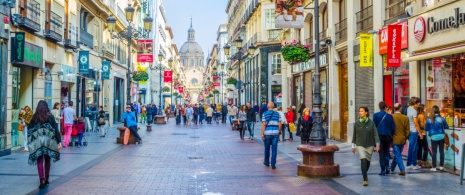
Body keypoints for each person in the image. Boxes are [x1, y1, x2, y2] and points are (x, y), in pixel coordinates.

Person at [27, 100, 62, 189]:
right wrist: (59, 141)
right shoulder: (50, 116)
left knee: (39, 160)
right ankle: (46, 178)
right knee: (47, 159)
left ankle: (41, 179)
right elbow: (55, 129)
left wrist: (30, 141)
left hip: (38, 142)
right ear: (46, 107)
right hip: (49, 141)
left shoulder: (35, 117)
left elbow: (29, 129)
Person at [352, 106, 380, 186]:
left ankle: (365, 173)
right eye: (359, 111)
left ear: (366, 112)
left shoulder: (371, 123)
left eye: (361, 111)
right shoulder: (357, 123)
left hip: (369, 145)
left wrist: (377, 144)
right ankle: (365, 179)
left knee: (367, 162)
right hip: (360, 144)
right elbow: (354, 135)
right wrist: (353, 146)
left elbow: (375, 133)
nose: (360, 112)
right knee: (363, 160)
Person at [372, 101, 395, 175]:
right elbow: (392, 127)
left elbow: (374, 127)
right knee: (387, 151)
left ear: (379, 107)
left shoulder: (375, 115)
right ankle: (387, 167)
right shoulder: (389, 116)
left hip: (379, 136)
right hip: (388, 136)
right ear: (385, 107)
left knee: (381, 153)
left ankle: (382, 170)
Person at [425, 105, 448, 172]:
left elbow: (426, 128)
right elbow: (446, 127)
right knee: (441, 151)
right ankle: (441, 166)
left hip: (433, 137)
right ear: (438, 111)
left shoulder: (429, 120)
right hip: (441, 136)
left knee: (434, 151)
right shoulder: (442, 118)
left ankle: (434, 167)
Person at [391, 103, 410, 176]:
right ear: (400, 108)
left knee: (397, 155)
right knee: (398, 154)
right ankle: (392, 167)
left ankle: (402, 169)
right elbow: (408, 130)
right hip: (402, 139)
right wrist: (405, 137)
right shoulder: (405, 117)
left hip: (394, 138)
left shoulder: (391, 117)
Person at [261, 101, 281, 169]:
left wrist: (262, 134)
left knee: (267, 148)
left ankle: (266, 162)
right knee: (274, 149)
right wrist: (279, 131)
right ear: (273, 106)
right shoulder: (277, 114)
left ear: (267, 106)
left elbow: (263, 124)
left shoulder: (265, 114)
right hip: (275, 133)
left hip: (267, 133)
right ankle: (273, 164)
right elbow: (280, 124)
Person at [406, 97, 422, 170]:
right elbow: (416, 123)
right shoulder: (414, 111)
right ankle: (412, 164)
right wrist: (420, 133)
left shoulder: (408, 108)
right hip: (413, 131)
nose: (419, 104)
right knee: (414, 148)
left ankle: (411, 163)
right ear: (414, 103)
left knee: (413, 147)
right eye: (417, 102)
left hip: (410, 130)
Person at [416, 104, 429, 168]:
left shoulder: (418, 115)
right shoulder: (422, 116)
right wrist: (426, 125)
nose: (425, 109)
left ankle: (419, 161)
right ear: (422, 109)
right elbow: (422, 125)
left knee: (420, 148)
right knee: (426, 148)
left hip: (418, 133)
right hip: (422, 133)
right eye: (425, 107)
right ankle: (424, 161)